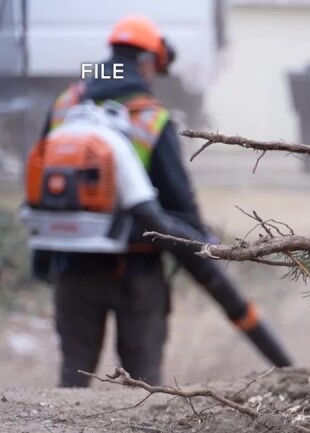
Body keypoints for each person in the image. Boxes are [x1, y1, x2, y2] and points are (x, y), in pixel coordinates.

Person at [30, 15, 205, 387]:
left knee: (73, 379)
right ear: (147, 62)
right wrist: (202, 244)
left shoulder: (65, 104)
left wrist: (42, 260)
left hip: (71, 266)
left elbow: (44, 183)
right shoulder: (152, 117)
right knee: (141, 386)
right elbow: (180, 201)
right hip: (137, 271)